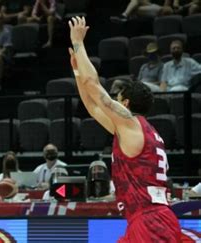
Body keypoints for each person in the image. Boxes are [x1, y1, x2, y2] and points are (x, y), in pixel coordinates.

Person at [68, 16, 181, 242]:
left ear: (126, 104)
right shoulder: (139, 130)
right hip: (149, 218)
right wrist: (78, 72)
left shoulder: (128, 122)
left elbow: (94, 86)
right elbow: (91, 106)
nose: (113, 101)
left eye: (117, 98)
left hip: (149, 221)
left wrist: (78, 44)